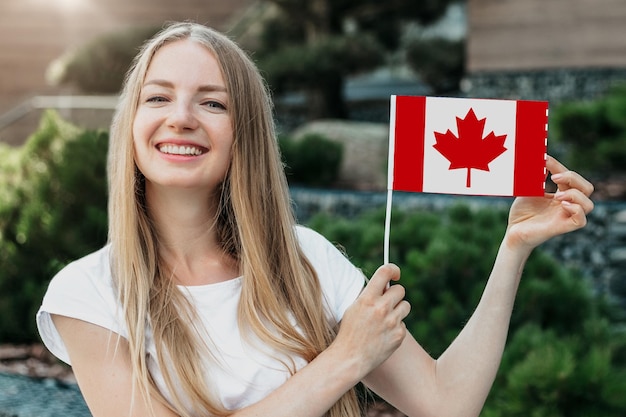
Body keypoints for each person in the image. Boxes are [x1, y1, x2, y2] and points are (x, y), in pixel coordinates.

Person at [36, 21, 594, 417]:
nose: (180, 118)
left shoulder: (308, 260)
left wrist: (513, 248)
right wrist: (345, 359)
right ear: (131, 123)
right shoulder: (90, 293)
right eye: (158, 98)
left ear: (245, 133)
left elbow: (447, 403)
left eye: (212, 102)